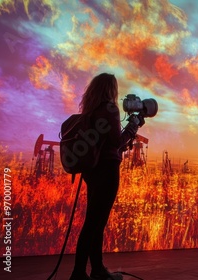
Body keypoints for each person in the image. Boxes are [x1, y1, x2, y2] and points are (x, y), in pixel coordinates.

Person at [70, 73, 140, 280]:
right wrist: (133, 126)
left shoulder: (91, 111)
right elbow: (115, 143)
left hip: (92, 172)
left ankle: (93, 270)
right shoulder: (109, 109)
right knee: (95, 224)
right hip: (107, 171)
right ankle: (81, 273)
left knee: (93, 222)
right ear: (111, 90)